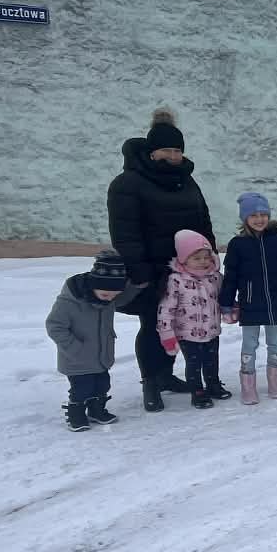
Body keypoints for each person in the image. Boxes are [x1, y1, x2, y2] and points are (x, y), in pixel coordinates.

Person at [106, 107, 215, 412]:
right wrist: (139, 271)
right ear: (152, 152)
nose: (173, 156)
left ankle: (166, 376)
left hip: (187, 270)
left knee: (177, 324)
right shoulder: (127, 184)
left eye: (178, 150)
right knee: (154, 325)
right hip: (151, 270)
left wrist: (209, 255)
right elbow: (125, 233)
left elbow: (203, 220)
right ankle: (150, 382)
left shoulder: (187, 181)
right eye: (167, 150)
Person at [44, 248, 143, 430]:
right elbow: (54, 326)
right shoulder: (70, 302)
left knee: (102, 386)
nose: (110, 299)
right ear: (93, 285)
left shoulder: (106, 297)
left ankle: (97, 410)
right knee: (82, 389)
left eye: (114, 295)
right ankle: (76, 414)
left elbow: (120, 299)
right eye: (106, 295)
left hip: (101, 356)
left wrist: (136, 287)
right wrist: (75, 348)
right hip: (76, 359)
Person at [220, 192, 277, 403]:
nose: (259, 219)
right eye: (253, 215)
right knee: (249, 344)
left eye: (263, 214)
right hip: (250, 303)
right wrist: (226, 303)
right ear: (245, 218)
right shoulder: (237, 244)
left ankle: (275, 383)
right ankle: (248, 387)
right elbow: (231, 277)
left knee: (275, 343)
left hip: (275, 302)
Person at [158, 229, 228, 408]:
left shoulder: (215, 277)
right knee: (194, 363)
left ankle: (213, 385)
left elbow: (223, 298)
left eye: (206, 257)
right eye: (197, 258)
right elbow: (166, 308)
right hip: (187, 334)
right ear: (183, 258)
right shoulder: (176, 280)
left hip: (212, 330)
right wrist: (167, 335)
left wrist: (230, 310)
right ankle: (197, 391)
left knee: (212, 361)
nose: (203, 261)